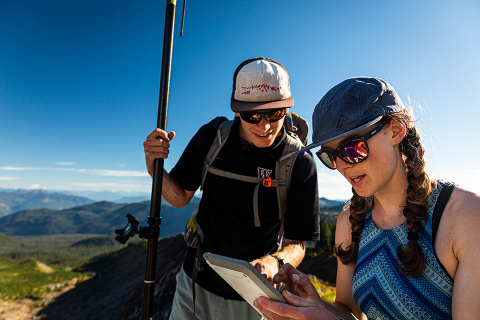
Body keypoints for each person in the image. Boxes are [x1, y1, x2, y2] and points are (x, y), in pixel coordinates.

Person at [254, 77, 480, 320]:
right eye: (330, 156)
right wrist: (314, 304)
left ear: (395, 131)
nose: (340, 165)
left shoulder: (466, 218)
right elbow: (349, 312)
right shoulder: (350, 223)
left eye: (352, 149)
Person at [143, 57, 320, 320]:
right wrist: (154, 168)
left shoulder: (298, 161)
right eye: (252, 115)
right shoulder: (213, 137)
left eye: (274, 113)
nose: (264, 126)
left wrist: (272, 263)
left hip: (253, 297)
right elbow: (180, 198)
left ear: (286, 108)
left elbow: (298, 245)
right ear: (237, 110)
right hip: (194, 283)